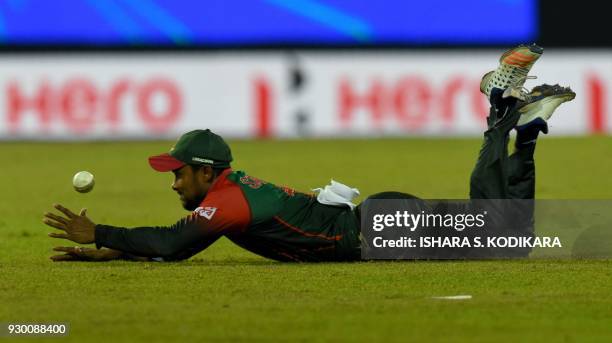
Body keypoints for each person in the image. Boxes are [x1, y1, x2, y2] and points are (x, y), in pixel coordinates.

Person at [43, 44, 575, 262]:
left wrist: (104, 235)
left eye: (178, 174)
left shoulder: (226, 204)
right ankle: (521, 133)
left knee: (504, 235)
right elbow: (170, 241)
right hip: (380, 219)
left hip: (381, 227)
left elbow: (175, 244)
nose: (173, 182)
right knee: (511, 233)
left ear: (205, 172)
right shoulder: (228, 193)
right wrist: (123, 249)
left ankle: (500, 107)